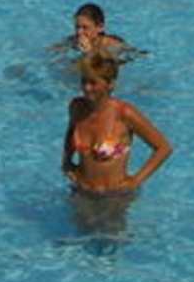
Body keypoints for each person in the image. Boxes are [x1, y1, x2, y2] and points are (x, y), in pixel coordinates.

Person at [64, 54, 172, 197]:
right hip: (81, 192)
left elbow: (163, 148)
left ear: (110, 84)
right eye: (84, 81)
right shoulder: (77, 107)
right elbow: (70, 133)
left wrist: (136, 181)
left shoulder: (124, 114)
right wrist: (66, 163)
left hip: (115, 197)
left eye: (93, 83)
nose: (86, 88)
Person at [64, 2, 136, 62]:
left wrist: (90, 53)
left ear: (100, 27)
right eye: (77, 27)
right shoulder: (73, 41)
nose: (79, 32)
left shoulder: (113, 45)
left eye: (85, 27)